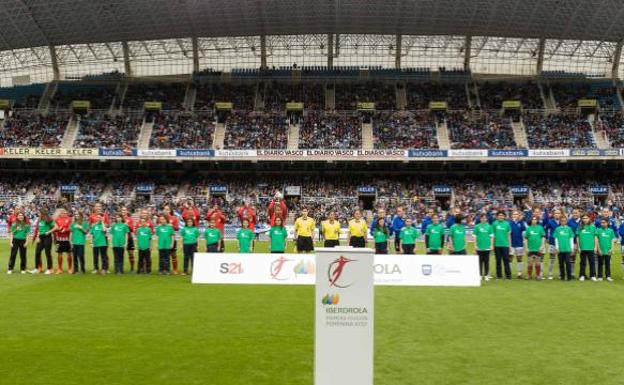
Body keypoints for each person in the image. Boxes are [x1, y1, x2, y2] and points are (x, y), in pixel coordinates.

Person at [31, 208, 54, 274]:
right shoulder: (39, 220)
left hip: (47, 237)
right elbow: (39, 229)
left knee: (47, 253)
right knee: (37, 252)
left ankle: (49, 269)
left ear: (42, 213)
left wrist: (49, 232)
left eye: (39, 213)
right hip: (41, 238)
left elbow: (56, 227)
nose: (38, 214)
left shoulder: (48, 220)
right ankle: (36, 268)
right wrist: (37, 237)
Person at [51, 208, 73, 274]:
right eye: (63, 213)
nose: (64, 214)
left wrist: (65, 230)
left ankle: (70, 268)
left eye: (66, 213)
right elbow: (54, 228)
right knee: (59, 253)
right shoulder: (57, 219)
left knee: (69, 253)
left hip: (67, 239)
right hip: (59, 239)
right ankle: (59, 268)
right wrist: (58, 229)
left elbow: (71, 228)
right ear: (60, 214)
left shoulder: (69, 219)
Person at [577, 214, 597, 282]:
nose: (585, 219)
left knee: (592, 262)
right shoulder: (580, 227)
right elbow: (578, 237)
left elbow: (595, 237)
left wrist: (595, 247)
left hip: (591, 247)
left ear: (589, 218)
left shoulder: (593, 226)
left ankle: (593, 276)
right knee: (583, 262)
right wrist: (579, 247)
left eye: (586, 218)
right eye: (583, 218)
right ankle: (582, 275)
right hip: (582, 248)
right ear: (582, 219)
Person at [524, 216, 545, 280]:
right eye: (533, 219)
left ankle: (538, 275)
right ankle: (529, 275)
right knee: (530, 262)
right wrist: (526, 247)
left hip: (538, 248)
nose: (534, 221)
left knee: (537, 262)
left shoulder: (540, 228)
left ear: (537, 221)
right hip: (530, 248)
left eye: (535, 219)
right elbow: (526, 239)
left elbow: (543, 237)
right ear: (531, 221)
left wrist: (542, 245)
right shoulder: (528, 229)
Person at [554, 216, 574, 281]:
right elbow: (556, 238)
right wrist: (557, 247)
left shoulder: (569, 229)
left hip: (567, 248)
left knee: (568, 262)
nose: (563, 222)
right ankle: (562, 276)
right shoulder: (557, 229)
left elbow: (571, 238)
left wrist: (572, 248)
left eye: (564, 221)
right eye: (562, 221)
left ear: (566, 221)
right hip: (560, 249)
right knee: (561, 263)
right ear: (560, 221)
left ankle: (569, 277)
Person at [542, 208, 561, 280]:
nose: (557, 214)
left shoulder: (563, 222)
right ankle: (550, 274)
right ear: (553, 214)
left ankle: (560, 274)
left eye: (558, 213)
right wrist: (547, 237)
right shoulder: (550, 222)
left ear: (561, 214)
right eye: (556, 213)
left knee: (561, 259)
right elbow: (545, 229)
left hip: (561, 243)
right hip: (552, 242)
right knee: (552, 259)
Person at [493, 211, 512, 280]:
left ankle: (508, 276)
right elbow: (492, 235)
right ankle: (499, 276)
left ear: (504, 216)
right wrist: (492, 245)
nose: (501, 216)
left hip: (505, 245)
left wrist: (509, 246)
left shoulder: (507, 224)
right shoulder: (494, 224)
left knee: (506, 261)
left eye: (502, 215)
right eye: (499, 215)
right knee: (498, 261)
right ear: (497, 216)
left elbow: (509, 235)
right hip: (497, 245)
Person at [474, 214, 494, 280]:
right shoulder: (477, 226)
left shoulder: (489, 226)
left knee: (486, 262)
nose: (483, 219)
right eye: (482, 218)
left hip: (487, 247)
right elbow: (475, 237)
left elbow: (491, 237)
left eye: (485, 218)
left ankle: (486, 275)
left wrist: (491, 245)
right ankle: (479, 275)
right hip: (479, 247)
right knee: (479, 262)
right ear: (480, 219)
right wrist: (475, 245)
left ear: (486, 219)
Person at [596, 218, 616, 282]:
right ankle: (600, 276)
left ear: (607, 223)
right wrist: (599, 249)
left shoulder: (611, 231)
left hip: (608, 250)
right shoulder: (598, 230)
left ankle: (608, 276)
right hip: (601, 250)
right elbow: (597, 240)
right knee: (600, 263)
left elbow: (612, 240)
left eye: (604, 222)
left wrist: (611, 249)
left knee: (608, 264)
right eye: (601, 223)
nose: (602, 224)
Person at [509, 210, 527, 279]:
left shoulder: (521, 223)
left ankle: (519, 273)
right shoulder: (509, 223)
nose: (515, 215)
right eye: (514, 214)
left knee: (519, 259)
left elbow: (525, 231)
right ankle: (509, 273)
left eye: (517, 214)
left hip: (519, 244)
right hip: (511, 244)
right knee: (510, 258)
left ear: (518, 216)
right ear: (512, 216)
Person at [163, 205, 180, 274]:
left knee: (173, 254)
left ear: (170, 210)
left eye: (167, 209)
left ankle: (175, 269)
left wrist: (171, 225)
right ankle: (165, 269)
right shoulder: (161, 218)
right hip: (164, 239)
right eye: (165, 209)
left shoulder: (174, 218)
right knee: (164, 255)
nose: (166, 211)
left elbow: (177, 228)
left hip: (172, 239)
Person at [120, 206, 136, 272]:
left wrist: (127, 225)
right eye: (122, 210)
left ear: (127, 211)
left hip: (129, 238)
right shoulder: (119, 219)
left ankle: (132, 268)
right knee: (120, 254)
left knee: (131, 254)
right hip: (121, 239)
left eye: (125, 210)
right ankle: (120, 269)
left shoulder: (130, 219)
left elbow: (132, 229)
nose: (123, 211)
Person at [567, 208, 582, 279]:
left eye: (576, 213)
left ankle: (582, 274)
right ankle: (572, 273)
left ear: (579, 213)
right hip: (573, 242)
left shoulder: (583, 221)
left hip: (583, 243)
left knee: (583, 259)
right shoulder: (569, 222)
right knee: (572, 258)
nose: (575, 214)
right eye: (574, 213)